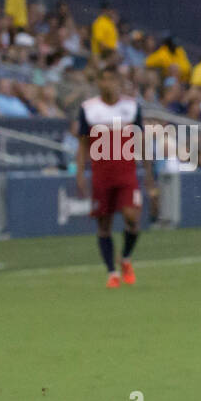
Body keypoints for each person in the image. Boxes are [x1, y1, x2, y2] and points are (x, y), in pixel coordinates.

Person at [74, 64, 156, 287]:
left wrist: (149, 175)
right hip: (101, 176)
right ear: (98, 82)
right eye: (104, 79)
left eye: (112, 79)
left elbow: (140, 141)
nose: (107, 84)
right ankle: (112, 272)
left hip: (126, 174)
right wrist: (80, 173)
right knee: (104, 225)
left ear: (118, 82)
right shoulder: (89, 109)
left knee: (132, 219)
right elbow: (82, 144)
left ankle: (126, 258)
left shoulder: (130, 107)